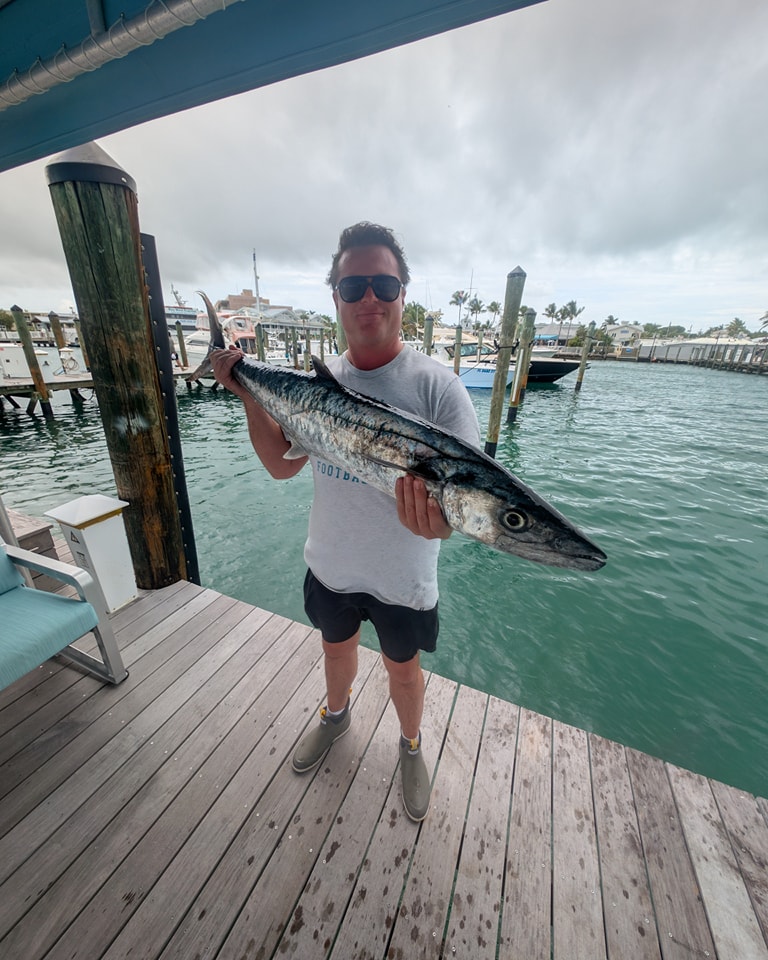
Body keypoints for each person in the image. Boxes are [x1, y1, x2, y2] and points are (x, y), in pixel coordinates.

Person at [211, 222, 480, 821]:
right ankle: (336, 718)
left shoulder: (441, 390)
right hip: (330, 563)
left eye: (383, 284)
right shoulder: (315, 385)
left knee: (403, 673)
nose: (369, 299)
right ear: (335, 296)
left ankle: (410, 746)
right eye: (353, 285)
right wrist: (249, 394)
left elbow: (455, 515)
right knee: (335, 652)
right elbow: (281, 466)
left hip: (401, 579)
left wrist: (433, 524)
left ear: (403, 293)